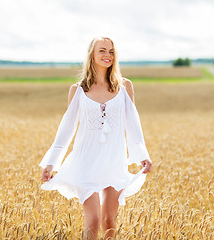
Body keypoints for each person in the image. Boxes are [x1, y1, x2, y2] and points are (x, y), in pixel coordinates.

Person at [39, 36, 152, 240]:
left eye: (111, 51)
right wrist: (51, 163)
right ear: (92, 54)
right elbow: (66, 130)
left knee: (109, 220)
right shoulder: (78, 90)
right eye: (102, 50)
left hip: (113, 161)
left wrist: (142, 154)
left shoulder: (125, 87)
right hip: (86, 162)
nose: (107, 55)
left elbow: (133, 124)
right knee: (93, 220)